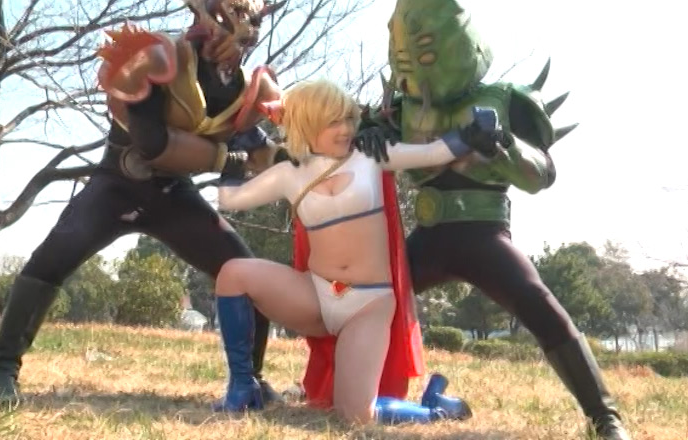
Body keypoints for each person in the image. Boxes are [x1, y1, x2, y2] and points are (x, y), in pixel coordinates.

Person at [0, 0, 288, 404]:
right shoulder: (159, 57)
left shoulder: (242, 87)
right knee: (50, 261)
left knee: (247, 272)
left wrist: (297, 162)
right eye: (236, 15)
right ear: (208, 11)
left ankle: (250, 378)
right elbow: (152, 144)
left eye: (253, 20)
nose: (245, 29)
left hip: (173, 194)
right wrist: (225, 160)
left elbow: (259, 150)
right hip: (118, 184)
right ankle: (1, 369)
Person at [352, 0, 631, 439]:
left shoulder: (503, 99)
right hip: (428, 234)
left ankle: (605, 416)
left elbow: (541, 175)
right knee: (364, 298)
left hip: (484, 235)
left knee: (542, 307)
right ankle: (336, 387)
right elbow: (351, 157)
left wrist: (503, 144)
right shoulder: (397, 109)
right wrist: (368, 135)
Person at [211, 78, 499, 424]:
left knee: (355, 415)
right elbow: (231, 200)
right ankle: (243, 387)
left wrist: (474, 133)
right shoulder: (289, 173)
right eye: (334, 121)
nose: (347, 129)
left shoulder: (370, 156)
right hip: (316, 294)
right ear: (307, 123)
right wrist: (231, 169)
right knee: (233, 274)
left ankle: (434, 408)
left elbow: (433, 152)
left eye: (349, 118)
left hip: (368, 305)